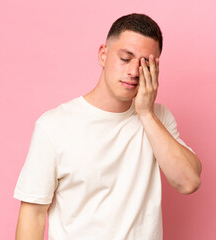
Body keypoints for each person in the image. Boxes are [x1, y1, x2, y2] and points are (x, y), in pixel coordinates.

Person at [14, 13, 202, 240]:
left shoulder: (158, 117)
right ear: (103, 55)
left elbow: (188, 182)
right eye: (125, 58)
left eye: (145, 64)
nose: (134, 72)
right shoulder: (54, 125)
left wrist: (146, 113)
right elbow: (33, 213)